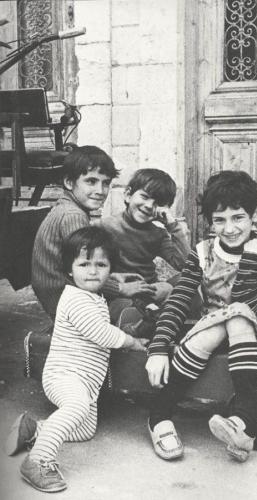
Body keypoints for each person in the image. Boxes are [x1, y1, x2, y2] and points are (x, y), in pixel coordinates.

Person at [145, 170, 257, 463]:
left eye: (238, 217)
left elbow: (253, 305)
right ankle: (163, 416)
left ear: (255, 215)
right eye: (219, 220)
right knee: (222, 321)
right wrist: (158, 349)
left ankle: (241, 418)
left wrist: (250, 260)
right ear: (210, 221)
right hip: (210, 332)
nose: (229, 228)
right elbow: (180, 298)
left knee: (236, 316)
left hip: (255, 333)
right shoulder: (203, 251)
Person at [5, 226, 147, 493]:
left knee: (85, 429)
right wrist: (132, 341)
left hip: (84, 381)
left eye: (101, 265)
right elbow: (101, 333)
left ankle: (34, 429)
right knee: (77, 407)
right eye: (84, 264)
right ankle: (38, 461)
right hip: (64, 376)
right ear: (69, 270)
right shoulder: (76, 299)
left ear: (110, 269)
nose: (92, 271)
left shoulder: (93, 296)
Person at [32, 145, 119, 321]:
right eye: (91, 181)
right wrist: (120, 288)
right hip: (66, 302)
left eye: (106, 183)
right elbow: (86, 271)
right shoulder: (73, 216)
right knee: (130, 308)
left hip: (60, 294)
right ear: (69, 182)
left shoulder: (68, 207)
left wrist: (117, 278)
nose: (100, 191)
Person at [99, 168, 191, 326]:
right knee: (127, 312)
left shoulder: (158, 234)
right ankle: (147, 322)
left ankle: (156, 316)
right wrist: (118, 287)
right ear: (128, 195)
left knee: (189, 280)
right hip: (121, 293)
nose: (149, 205)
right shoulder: (104, 227)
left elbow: (185, 265)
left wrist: (173, 227)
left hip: (149, 290)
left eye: (157, 203)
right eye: (145, 197)